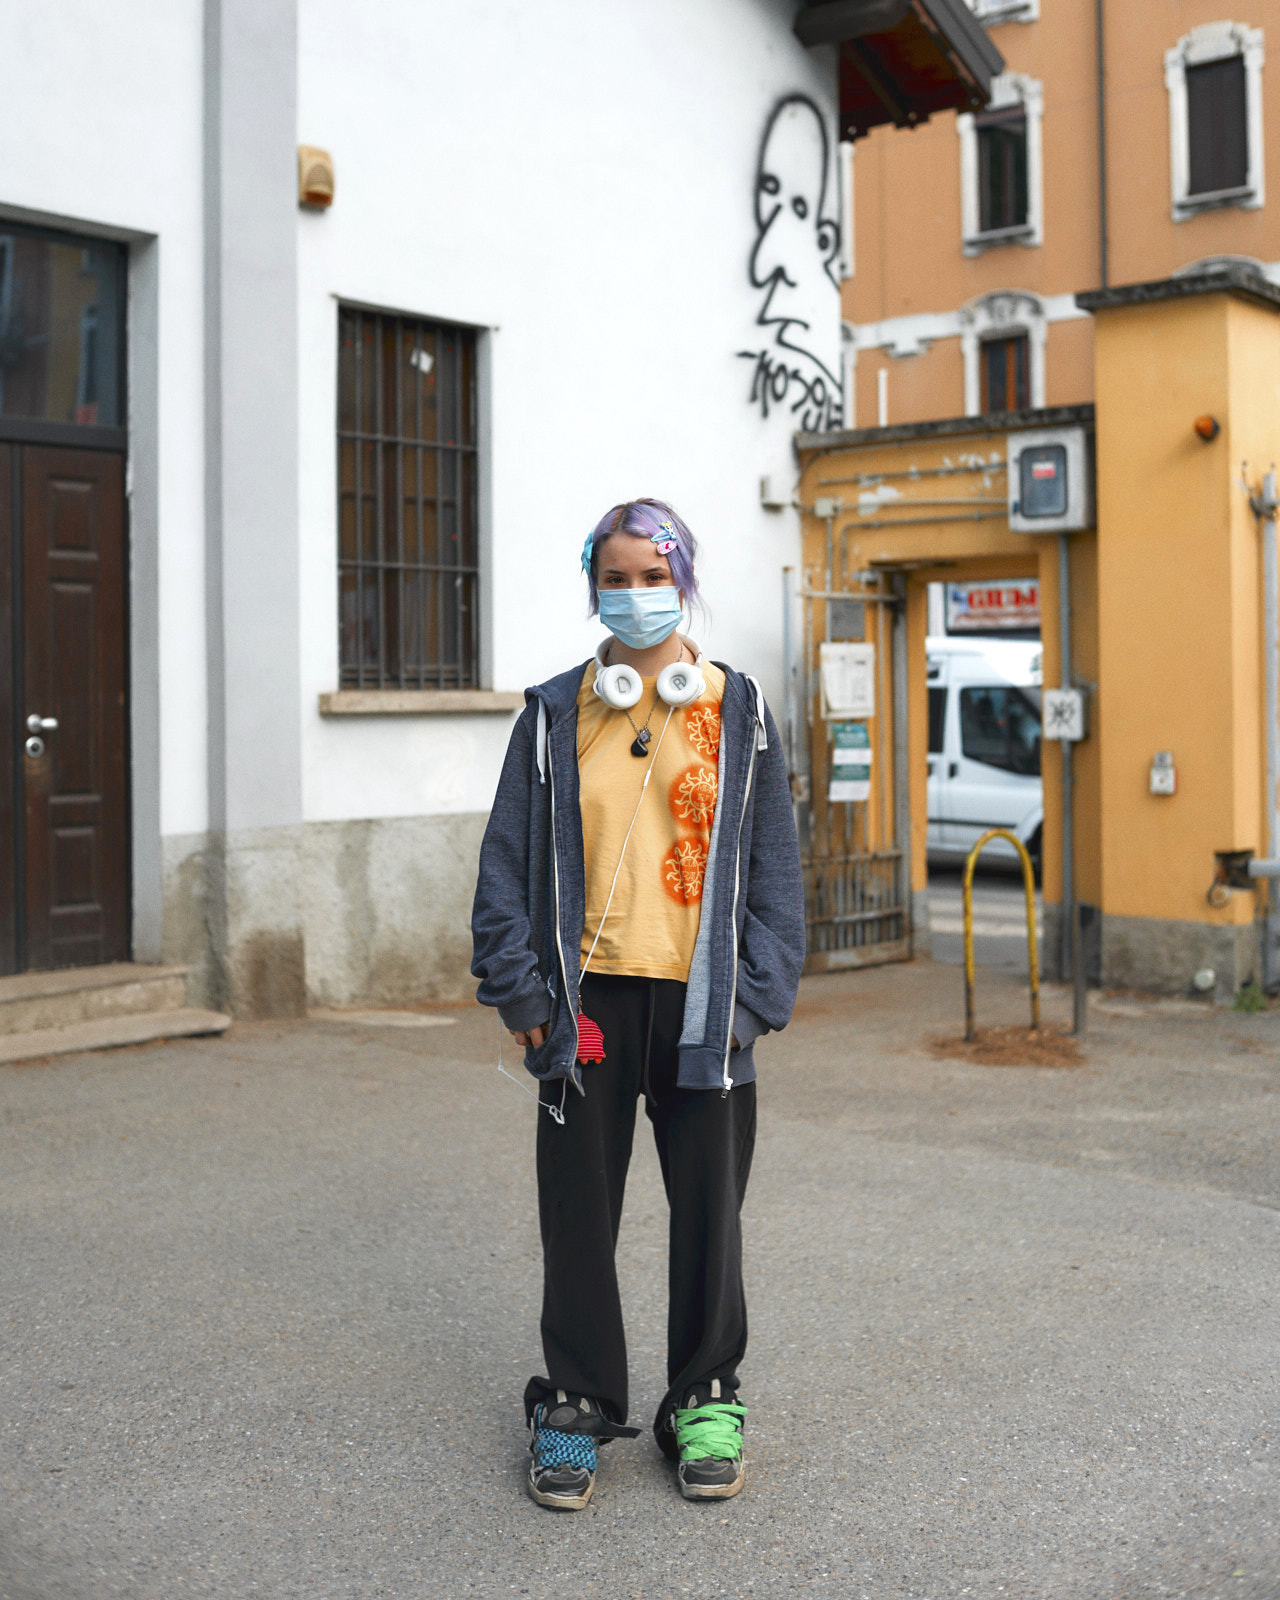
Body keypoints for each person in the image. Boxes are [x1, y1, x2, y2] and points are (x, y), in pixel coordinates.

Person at [470, 497, 805, 1509]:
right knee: (577, 1214)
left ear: (682, 582)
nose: (632, 594)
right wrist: (519, 988)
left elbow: (778, 871)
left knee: (709, 1214)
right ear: (592, 589)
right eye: (612, 577)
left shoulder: (737, 711)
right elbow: (503, 863)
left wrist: (754, 1000)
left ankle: (703, 1394)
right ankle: (574, 1402)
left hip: (706, 1011)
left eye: (650, 575)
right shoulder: (552, 715)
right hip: (588, 1010)